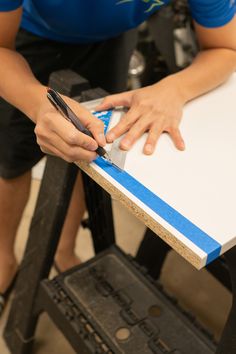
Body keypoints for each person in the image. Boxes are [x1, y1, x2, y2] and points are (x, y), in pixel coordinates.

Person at [0, 0, 235, 319]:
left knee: (91, 150)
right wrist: (35, 102)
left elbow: (226, 47)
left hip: (113, 39)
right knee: (9, 159)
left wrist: (174, 89)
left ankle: (63, 249)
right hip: (28, 35)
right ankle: (4, 260)